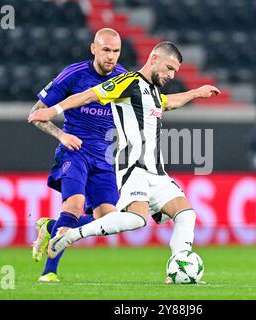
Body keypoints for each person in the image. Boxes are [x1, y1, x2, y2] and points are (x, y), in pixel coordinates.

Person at [28, 41, 221, 284]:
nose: (171, 75)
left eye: (175, 72)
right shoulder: (127, 82)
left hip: (156, 172)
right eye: (169, 68)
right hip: (133, 167)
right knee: (136, 219)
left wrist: (195, 93)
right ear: (153, 59)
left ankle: (179, 269)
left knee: (186, 215)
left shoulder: (151, 91)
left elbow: (168, 102)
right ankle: (69, 236)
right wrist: (53, 111)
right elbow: (90, 94)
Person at [28, 28, 128, 283]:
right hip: (75, 151)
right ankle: (49, 272)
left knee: (107, 220)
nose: (111, 57)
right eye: (106, 50)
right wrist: (61, 135)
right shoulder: (73, 75)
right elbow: (35, 113)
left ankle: (51, 227)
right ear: (93, 49)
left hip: (104, 159)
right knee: (72, 206)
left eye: (116, 51)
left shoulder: (124, 79)